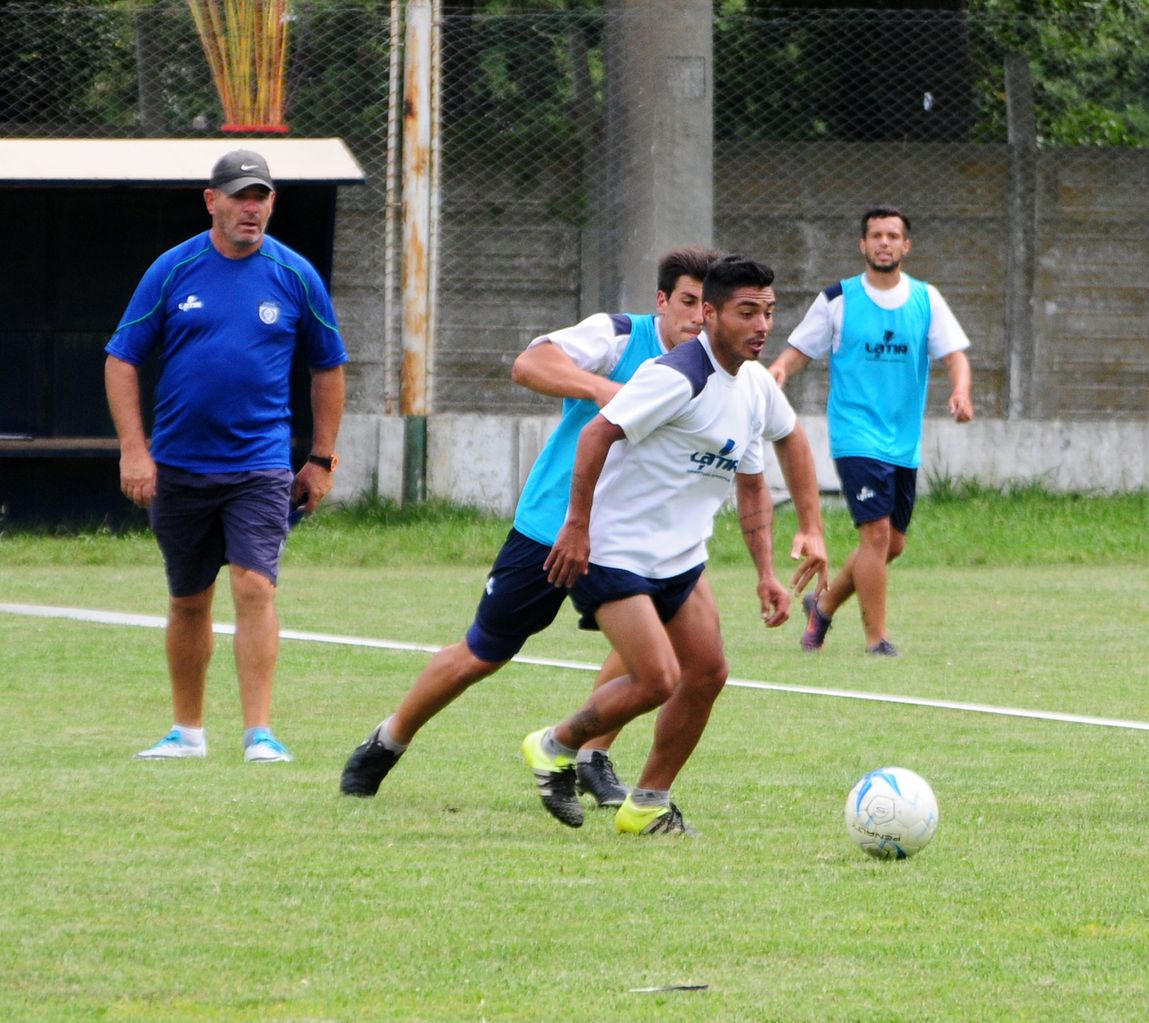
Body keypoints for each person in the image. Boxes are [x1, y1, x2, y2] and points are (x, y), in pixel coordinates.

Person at [338, 246, 799, 803]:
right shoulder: (623, 339)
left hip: (637, 543)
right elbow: (528, 365)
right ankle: (389, 741)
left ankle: (590, 755)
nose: (697, 316)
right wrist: (603, 389)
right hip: (554, 526)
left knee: (660, 656)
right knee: (483, 653)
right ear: (665, 301)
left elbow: (756, 462)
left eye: (710, 305)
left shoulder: (728, 379)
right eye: (688, 301)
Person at [520, 254, 827, 836]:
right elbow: (596, 431)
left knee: (708, 673)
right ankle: (554, 744)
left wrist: (766, 571)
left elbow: (756, 480)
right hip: (613, 552)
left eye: (768, 312)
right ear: (709, 314)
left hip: (681, 560)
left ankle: (649, 802)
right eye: (747, 312)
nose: (762, 325)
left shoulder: (756, 385)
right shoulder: (678, 374)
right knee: (657, 678)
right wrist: (577, 526)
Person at [105, 149, 348, 764]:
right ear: (211, 200)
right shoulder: (172, 269)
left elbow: (329, 367)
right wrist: (136, 451)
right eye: (240, 195)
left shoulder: (294, 275)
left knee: (254, 587)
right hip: (181, 464)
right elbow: (121, 359)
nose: (252, 207)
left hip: (260, 465)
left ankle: (258, 733)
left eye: (261, 196)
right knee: (189, 598)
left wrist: (320, 459)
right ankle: (187, 733)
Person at [769, 205, 973, 657]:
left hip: (903, 441)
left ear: (906, 245)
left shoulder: (926, 299)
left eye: (892, 235)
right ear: (862, 245)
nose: (884, 242)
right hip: (856, 435)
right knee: (876, 536)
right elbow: (800, 348)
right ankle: (876, 639)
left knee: (891, 545)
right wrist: (781, 370)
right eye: (876, 235)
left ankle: (821, 607)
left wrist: (961, 391)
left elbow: (955, 356)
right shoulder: (838, 299)